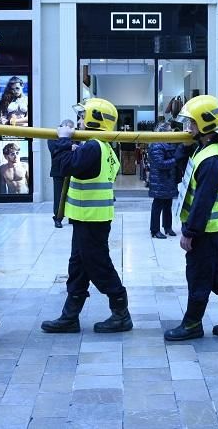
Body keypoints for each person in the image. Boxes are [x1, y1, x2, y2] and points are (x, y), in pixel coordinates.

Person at [164, 95, 218, 341]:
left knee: (199, 276)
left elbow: (203, 202)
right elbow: (182, 174)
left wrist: (190, 232)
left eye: (191, 123)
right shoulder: (204, 149)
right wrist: (184, 147)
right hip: (209, 230)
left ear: (205, 126)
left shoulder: (212, 160)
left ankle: (192, 324)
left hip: (205, 231)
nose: (187, 128)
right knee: (215, 274)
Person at [42, 98, 133, 334]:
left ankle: (121, 313)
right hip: (87, 217)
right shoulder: (100, 146)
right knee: (78, 267)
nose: (79, 122)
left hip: (92, 218)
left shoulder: (93, 146)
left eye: (83, 117)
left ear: (95, 120)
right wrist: (68, 145)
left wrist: (63, 140)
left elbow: (63, 166)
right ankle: (69, 316)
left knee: (98, 266)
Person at [148, 122, 178, 239]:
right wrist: (175, 160)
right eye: (170, 130)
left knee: (168, 205)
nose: (172, 132)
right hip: (159, 182)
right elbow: (160, 164)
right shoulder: (157, 145)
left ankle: (167, 227)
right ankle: (154, 230)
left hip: (168, 181)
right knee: (157, 206)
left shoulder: (167, 143)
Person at [48, 119, 76, 228]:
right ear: (62, 126)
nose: (69, 130)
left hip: (71, 169)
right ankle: (58, 218)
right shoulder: (52, 135)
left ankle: (72, 217)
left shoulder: (74, 135)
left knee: (72, 195)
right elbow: (54, 150)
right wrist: (69, 146)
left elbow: (77, 148)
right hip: (58, 171)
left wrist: (67, 146)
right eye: (67, 127)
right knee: (58, 196)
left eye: (71, 128)